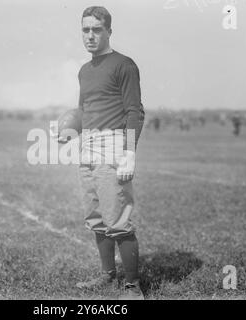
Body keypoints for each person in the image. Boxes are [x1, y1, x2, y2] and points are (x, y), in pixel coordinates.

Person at [65, 6, 145, 300]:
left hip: (112, 144)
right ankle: (107, 275)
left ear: (109, 31)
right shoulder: (84, 70)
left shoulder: (124, 64)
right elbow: (83, 110)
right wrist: (69, 131)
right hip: (87, 145)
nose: (90, 35)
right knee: (96, 217)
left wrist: (129, 153)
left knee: (117, 219)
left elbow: (135, 111)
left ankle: (133, 285)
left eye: (96, 29)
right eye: (85, 30)